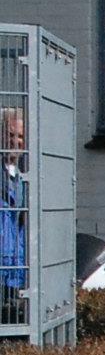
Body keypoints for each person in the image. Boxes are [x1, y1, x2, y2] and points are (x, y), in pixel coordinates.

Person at [0, 108, 25, 299]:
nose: (15, 141)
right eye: (10, 134)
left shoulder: (25, 177)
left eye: (20, 136)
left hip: (18, 267)